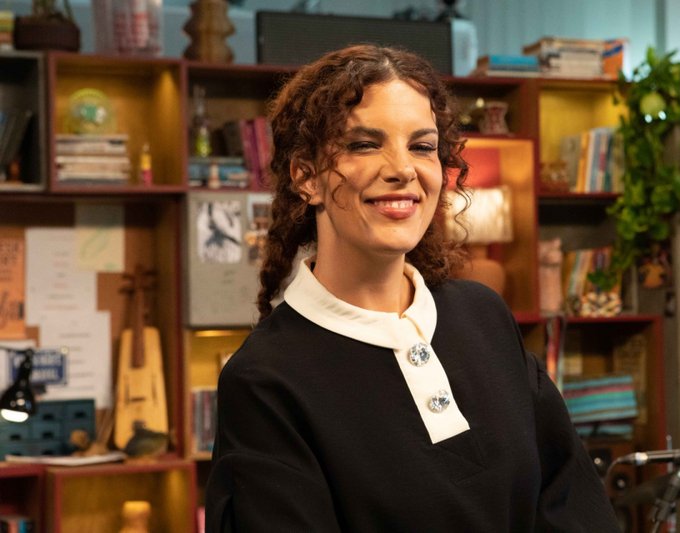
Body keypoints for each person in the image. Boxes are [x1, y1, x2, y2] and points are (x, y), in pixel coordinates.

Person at [205, 44, 621, 532]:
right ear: (306, 177)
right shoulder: (264, 380)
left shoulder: (483, 316)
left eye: (422, 146)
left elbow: (571, 501)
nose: (402, 169)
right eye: (364, 144)